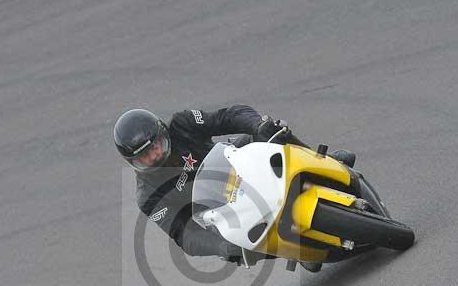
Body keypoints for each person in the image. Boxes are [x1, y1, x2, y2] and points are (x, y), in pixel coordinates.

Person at [113, 105, 356, 270]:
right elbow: (182, 234)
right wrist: (220, 246)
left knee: (273, 131)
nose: (154, 156)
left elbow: (227, 116)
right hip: (222, 212)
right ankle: (297, 251)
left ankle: (325, 162)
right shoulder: (147, 196)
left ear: (162, 133)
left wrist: (256, 125)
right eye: (144, 156)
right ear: (133, 162)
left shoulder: (182, 123)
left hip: (238, 164)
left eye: (155, 146)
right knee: (235, 248)